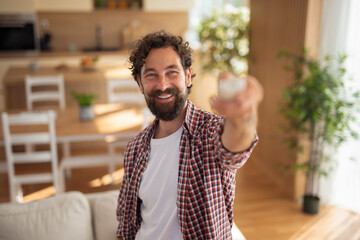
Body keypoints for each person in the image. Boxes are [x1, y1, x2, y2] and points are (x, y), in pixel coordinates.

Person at [116, 30, 263, 240]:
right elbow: (126, 221)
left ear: (187, 76)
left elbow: (234, 149)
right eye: (151, 75)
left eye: (172, 72)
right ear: (140, 84)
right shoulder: (134, 148)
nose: (163, 85)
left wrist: (242, 118)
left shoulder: (210, 132)